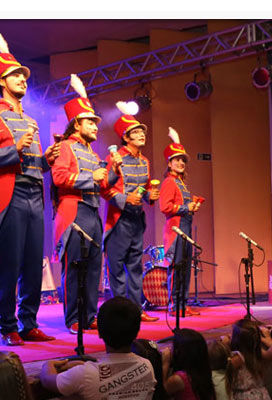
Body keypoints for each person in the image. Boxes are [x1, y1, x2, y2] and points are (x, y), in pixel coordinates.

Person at [0, 31, 59, 346]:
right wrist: (13, 150)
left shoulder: (32, 118)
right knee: (8, 264)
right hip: (12, 196)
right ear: (1, 81)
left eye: (23, 75)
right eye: (14, 75)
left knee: (34, 263)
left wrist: (47, 160)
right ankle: (8, 325)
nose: (22, 79)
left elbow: (33, 162)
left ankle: (29, 322)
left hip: (36, 194)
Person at [51, 75, 114, 333]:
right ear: (77, 124)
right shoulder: (65, 146)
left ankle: (90, 315)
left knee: (93, 269)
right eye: (91, 122)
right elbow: (59, 178)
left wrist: (115, 172)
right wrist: (91, 177)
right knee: (75, 268)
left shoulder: (92, 153)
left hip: (93, 213)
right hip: (74, 211)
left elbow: (104, 186)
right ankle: (73, 318)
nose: (96, 127)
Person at [102, 103, 160, 322]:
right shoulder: (114, 159)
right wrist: (125, 199)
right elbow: (104, 189)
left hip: (137, 219)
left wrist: (148, 197)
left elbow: (143, 188)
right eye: (136, 132)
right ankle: (119, 312)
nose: (141, 135)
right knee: (116, 268)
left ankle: (136, 309)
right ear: (125, 138)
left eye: (142, 132)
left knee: (135, 267)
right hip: (119, 219)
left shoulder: (144, 161)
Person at [159, 127, 203, 316]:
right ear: (169, 163)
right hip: (175, 231)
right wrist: (187, 208)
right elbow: (165, 207)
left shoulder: (181, 183)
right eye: (177, 159)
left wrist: (193, 206)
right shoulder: (169, 182)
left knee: (185, 268)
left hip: (185, 230)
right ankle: (174, 306)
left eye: (183, 160)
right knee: (177, 268)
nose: (181, 163)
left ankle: (183, 304)